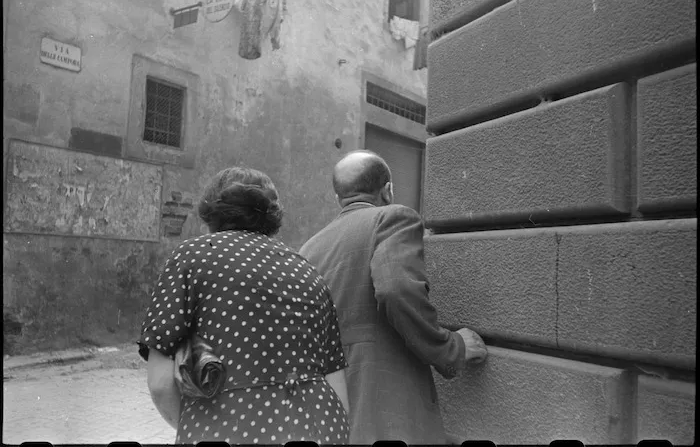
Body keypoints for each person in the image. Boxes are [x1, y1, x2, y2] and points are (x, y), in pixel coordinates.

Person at [137, 167, 350, 444]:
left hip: (232, 428)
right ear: (272, 215)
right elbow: (337, 383)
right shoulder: (306, 269)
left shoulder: (192, 257)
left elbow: (161, 382)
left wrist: (197, 428)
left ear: (212, 211)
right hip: (324, 427)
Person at [299, 150, 488, 444]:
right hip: (386, 408)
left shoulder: (309, 248)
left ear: (338, 198)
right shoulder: (393, 218)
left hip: (327, 413)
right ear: (387, 190)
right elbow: (395, 288)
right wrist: (453, 347)